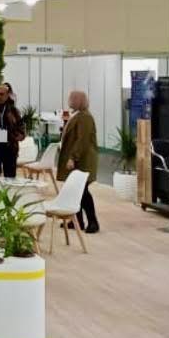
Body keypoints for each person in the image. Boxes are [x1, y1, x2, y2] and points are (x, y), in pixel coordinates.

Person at [56, 90, 100, 233]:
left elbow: (82, 140)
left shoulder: (85, 117)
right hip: (78, 160)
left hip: (83, 160)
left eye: (72, 98)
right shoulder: (78, 115)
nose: (69, 100)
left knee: (83, 192)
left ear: (78, 100)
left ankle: (93, 222)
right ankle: (77, 221)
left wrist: (73, 157)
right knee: (76, 191)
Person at [0, 83, 26, 178]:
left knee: (10, 177)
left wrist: (16, 137)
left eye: (1, 94)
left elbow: (21, 128)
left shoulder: (14, 111)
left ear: (7, 95)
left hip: (10, 148)